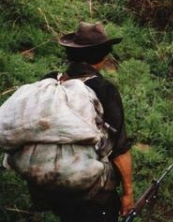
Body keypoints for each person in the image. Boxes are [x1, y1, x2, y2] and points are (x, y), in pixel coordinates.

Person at [29, 22, 134, 222]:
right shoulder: (104, 89)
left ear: (70, 54)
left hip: (52, 182)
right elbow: (118, 148)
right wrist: (128, 192)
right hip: (91, 193)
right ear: (103, 56)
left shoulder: (52, 80)